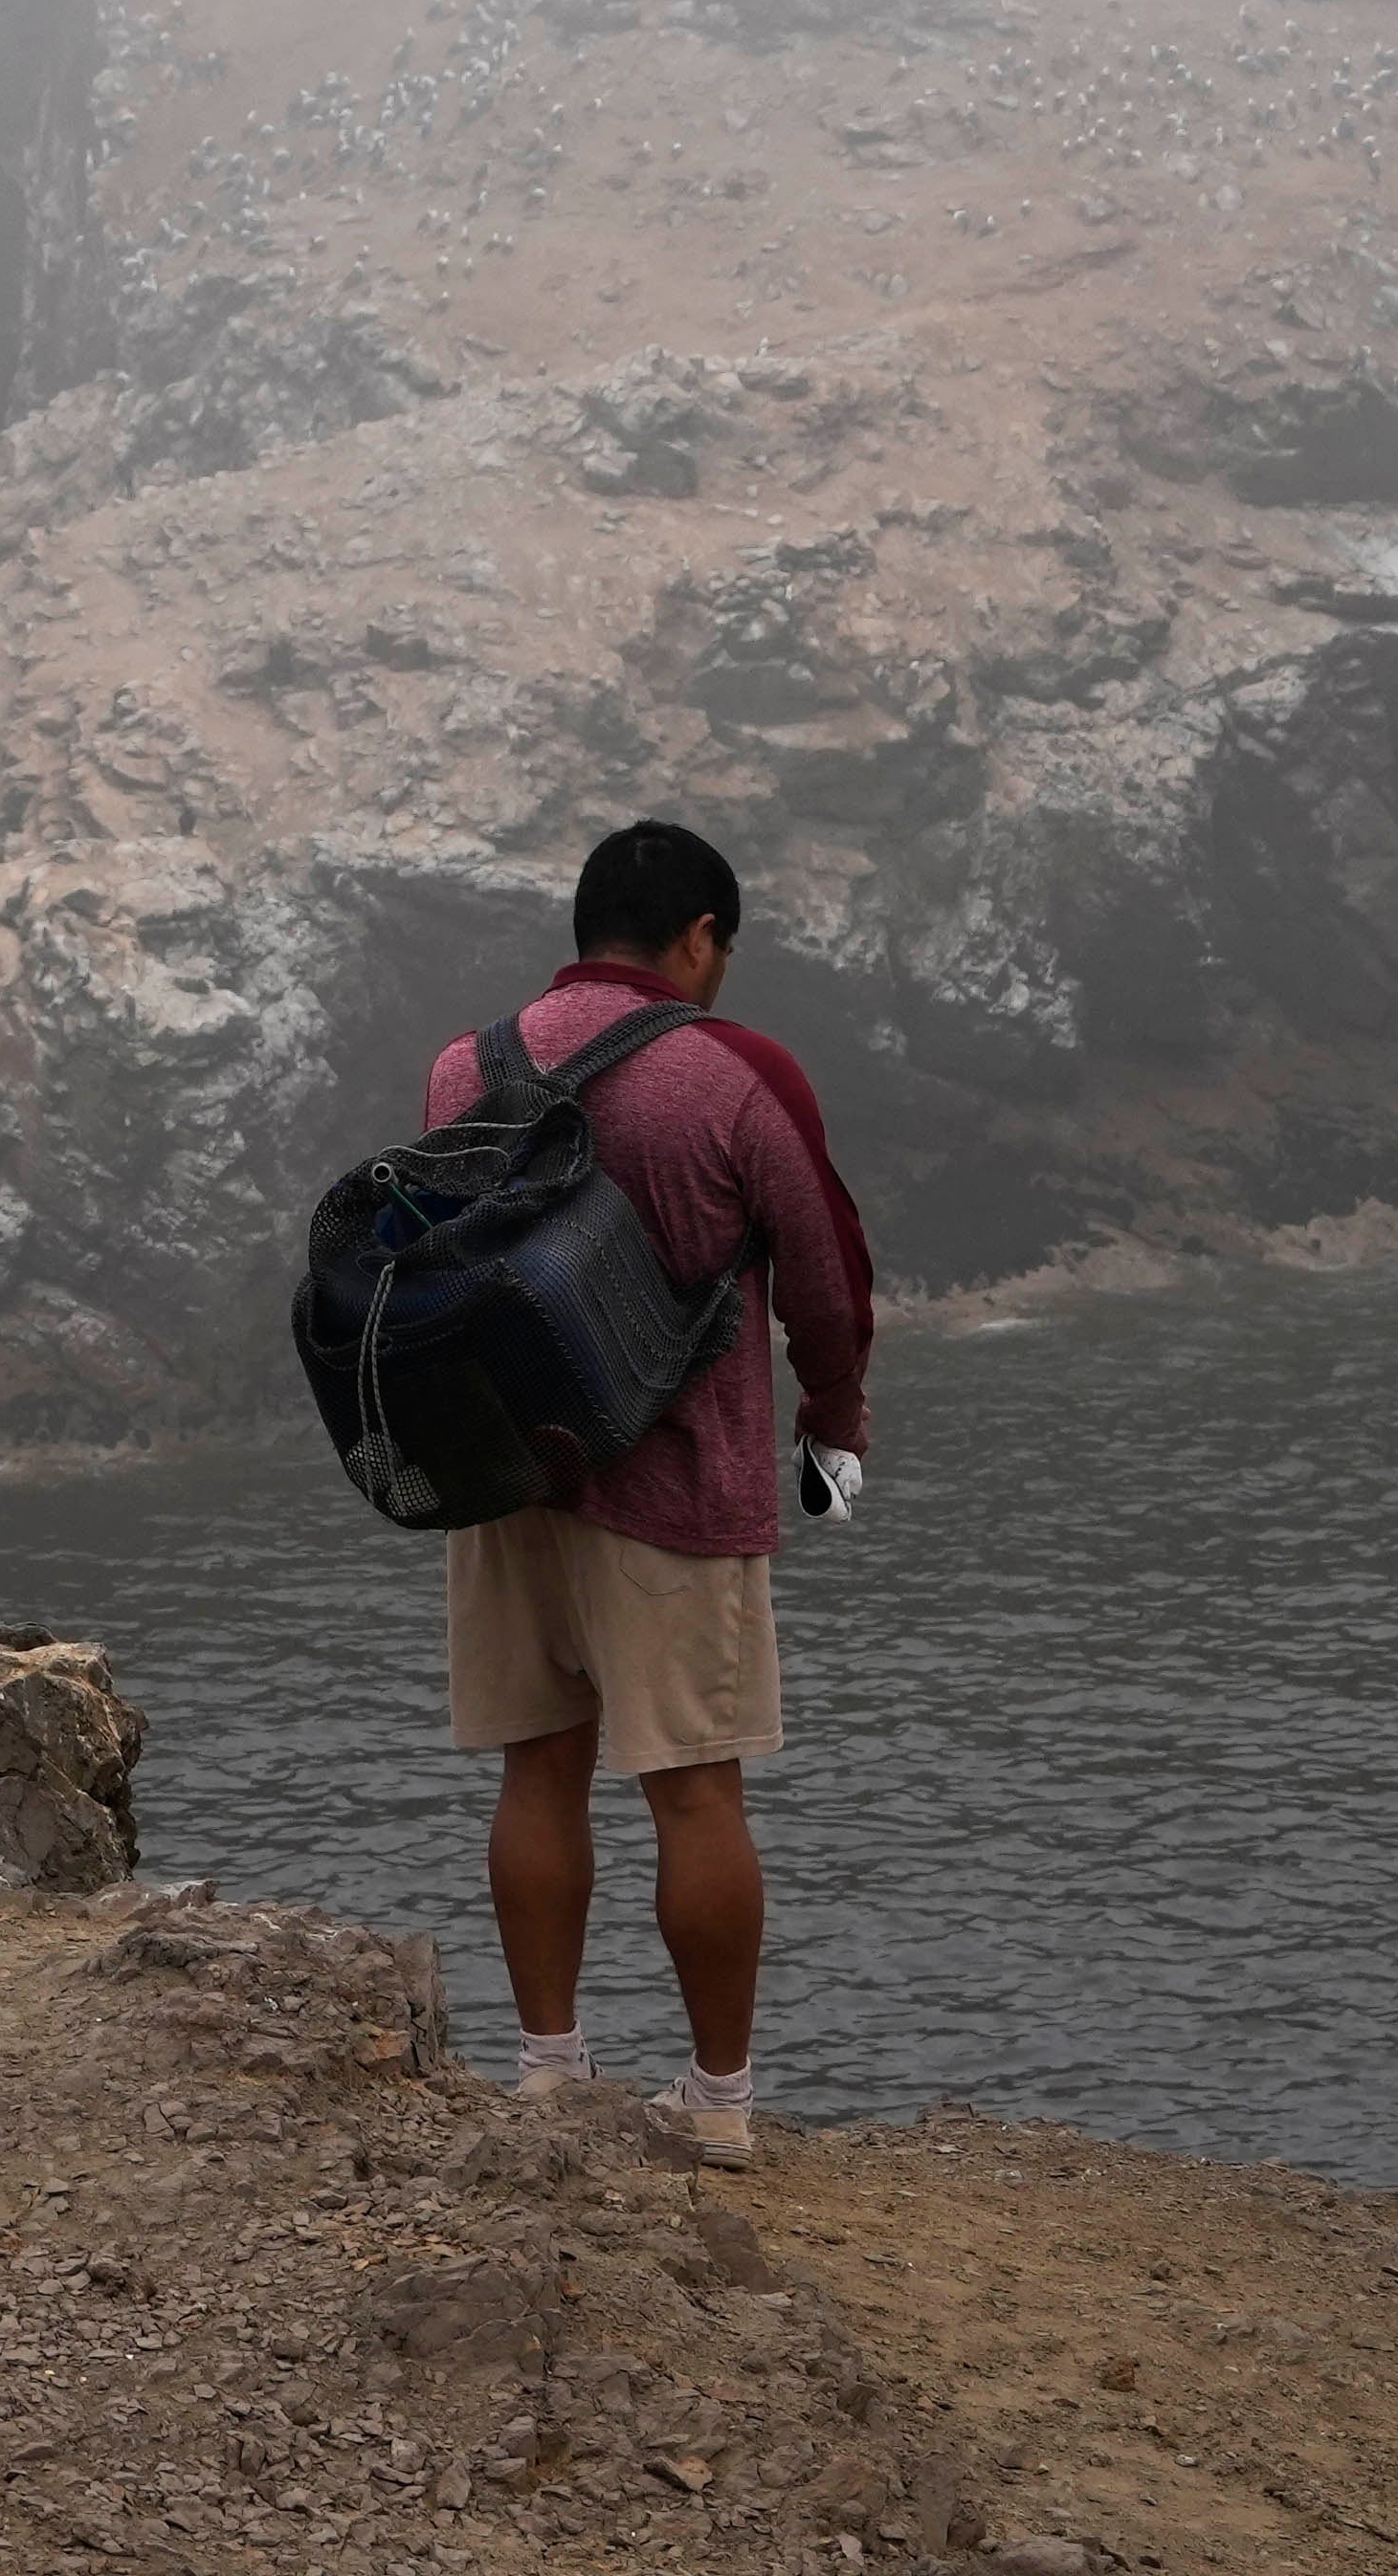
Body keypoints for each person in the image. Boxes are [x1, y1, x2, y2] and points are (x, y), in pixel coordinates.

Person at [421, 814, 877, 2171]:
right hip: (677, 1485)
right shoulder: (737, 1074)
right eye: (718, 949)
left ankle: (548, 2077)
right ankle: (721, 2106)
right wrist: (833, 1427)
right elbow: (826, 1281)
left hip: (507, 1476)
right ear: (697, 940)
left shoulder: (465, 1067)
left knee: (537, 1769)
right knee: (695, 1793)